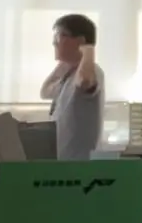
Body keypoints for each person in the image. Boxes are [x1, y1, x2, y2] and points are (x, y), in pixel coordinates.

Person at [40, 14, 104, 161]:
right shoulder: (68, 76)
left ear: (80, 41)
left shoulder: (91, 71)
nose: (54, 43)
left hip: (80, 166)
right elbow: (44, 92)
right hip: (63, 162)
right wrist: (63, 64)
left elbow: (86, 81)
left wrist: (88, 50)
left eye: (60, 36)